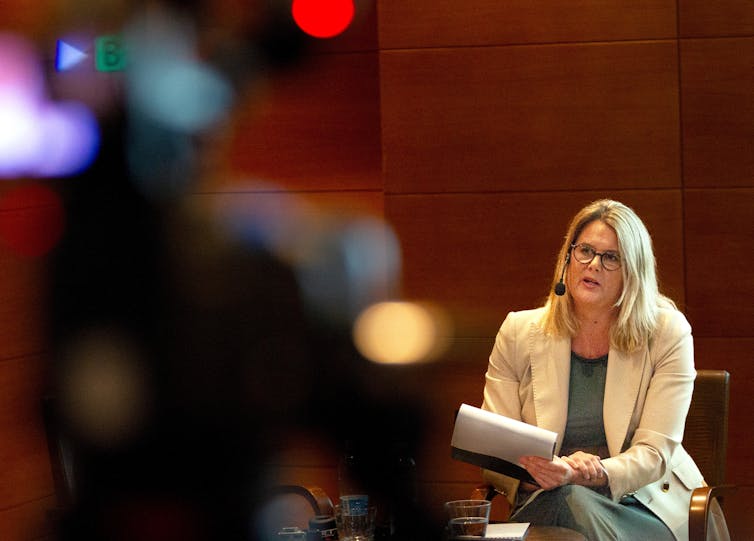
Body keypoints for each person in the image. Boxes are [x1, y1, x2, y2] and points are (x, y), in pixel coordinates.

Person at [480, 199, 729, 541]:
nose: (594, 265)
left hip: (641, 504)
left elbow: (653, 455)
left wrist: (587, 473)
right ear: (568, 259)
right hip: (545, 499)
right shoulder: (518, 332)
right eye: (585, 251)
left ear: (634, 272)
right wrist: (541, 473)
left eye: (611, 257)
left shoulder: (667, 332)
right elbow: (495, 447)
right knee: (565, 506)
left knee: (571, 511)